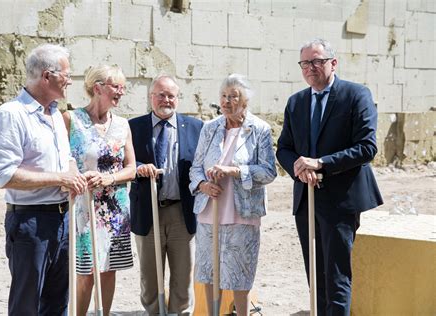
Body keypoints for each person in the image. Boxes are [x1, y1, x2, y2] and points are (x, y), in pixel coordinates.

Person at [276, 38, 383, 316]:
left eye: (317, 61)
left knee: (336, 277)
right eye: (305, 63)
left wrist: (321, 163)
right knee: (315, 275)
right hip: (306, 200)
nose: (310, 67)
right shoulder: (296, 102)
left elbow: (367, 147)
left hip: (340, 200)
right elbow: (284, 148)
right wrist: (299, 168)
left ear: (333, 63)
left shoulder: (356, 95)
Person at [0, 44, 88, 316]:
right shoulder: (11, 115)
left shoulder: (55, 114)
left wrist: (75, 177)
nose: (70, 80)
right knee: (27, 305)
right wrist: (60, 177)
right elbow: (3, 175)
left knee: (57, 304)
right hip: (31, 223)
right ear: (47, 76)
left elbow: (66, 159)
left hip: (63, 220)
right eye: (66, 74)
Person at [189, 74, 277, 315]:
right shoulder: (210, 128)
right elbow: (196, 167)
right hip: (210, 210)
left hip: (242, 211)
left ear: (245, 102)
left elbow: (269, 172)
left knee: (240, 273)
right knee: (209, 271)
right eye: (224, 96)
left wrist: (235, 171)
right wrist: (202, 186)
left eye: (233, 97)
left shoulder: (259, 129)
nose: (227, 102)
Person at [62, 65, 136, 315]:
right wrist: (77, 175)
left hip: (115, 207)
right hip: (84, 205)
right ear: (97, 88)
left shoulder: (123, 125)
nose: (121, 92)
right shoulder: (71, 120)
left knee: (108, 268)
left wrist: (108, 178)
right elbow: (64, 159)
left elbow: (131, 168)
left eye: (123, 87)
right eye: (116, 86)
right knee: (86, 271)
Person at [129, 74, 203, 315]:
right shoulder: (133, 127)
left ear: (178, 99)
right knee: (150, 277)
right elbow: (123, 161)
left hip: (182, 212)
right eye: (161, 94)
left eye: (171, 95)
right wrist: (139, 166)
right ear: (151, 97)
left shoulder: (195, 127)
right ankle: (153, 312)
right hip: (148, 211)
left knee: (183, 276)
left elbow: (201, 164)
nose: (166, 100)